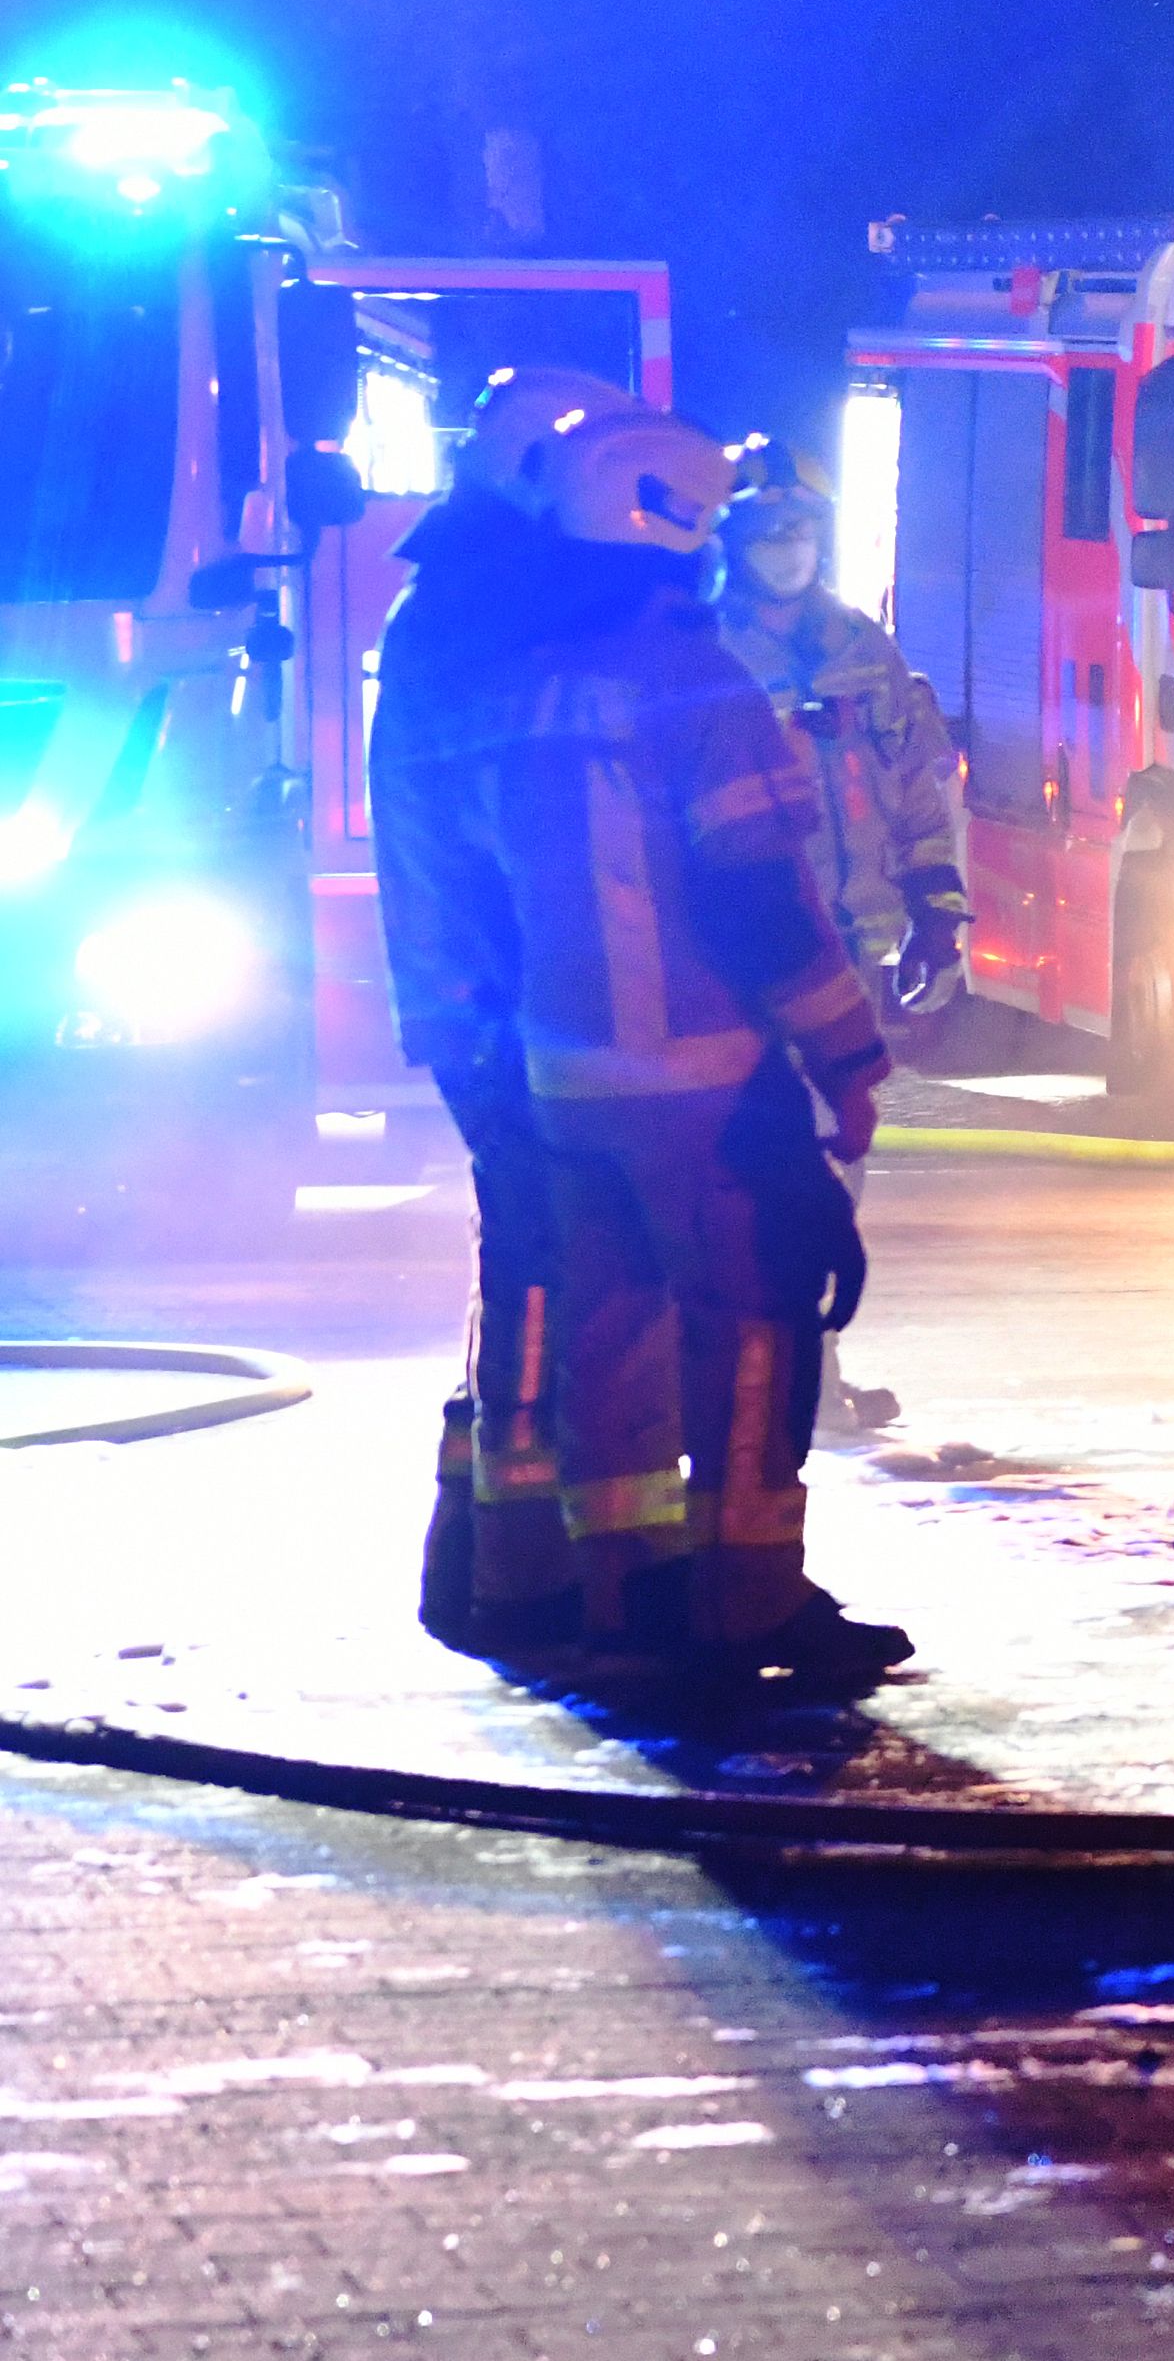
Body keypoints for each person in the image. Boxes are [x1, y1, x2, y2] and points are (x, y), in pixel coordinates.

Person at [484, 411, 903, 1692]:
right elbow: (759, 897)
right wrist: (845, 1053)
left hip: (565, 1071)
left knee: (612, 1318)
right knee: (757, 1310)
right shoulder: (692, 678)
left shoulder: (527, 674)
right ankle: (745, 1598)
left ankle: (625, 1588)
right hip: (696, 1070)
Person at [387, 366, 636, 1662]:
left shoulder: (470, 597)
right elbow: (523, 821)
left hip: (490, 988)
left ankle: (479, 1556)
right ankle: (521, 1574)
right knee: (544, 1252)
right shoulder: (490, 613)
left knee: (531, 1247)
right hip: (502, 993)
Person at [713, 441, 971, 1026]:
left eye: (799, 530)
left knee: (849, 1114)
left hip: (852, 962)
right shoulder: (706, 659)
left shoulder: (864, 650)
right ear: (732, 540)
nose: (788, 548)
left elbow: (915, 793)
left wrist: (935, 914)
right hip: (744, 970)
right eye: (769, 532)